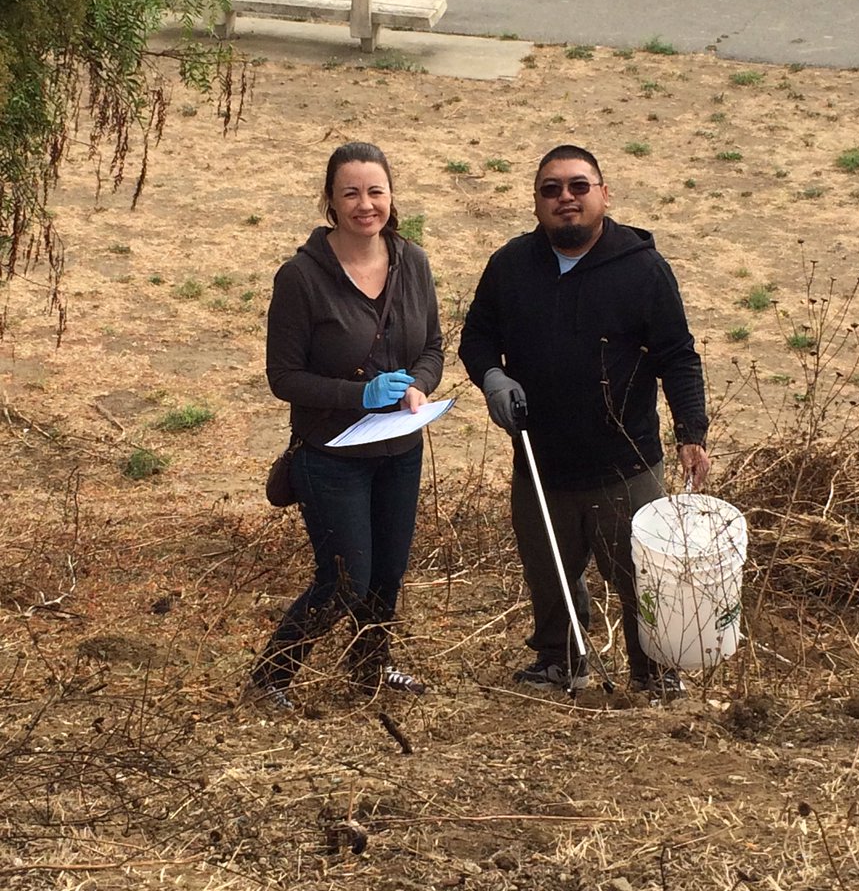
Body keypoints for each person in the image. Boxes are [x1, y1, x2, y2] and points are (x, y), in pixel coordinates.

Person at [458, 144, 709, 699]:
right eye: (551, 189)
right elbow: (476, 337)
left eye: (578, 186)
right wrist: (492, 378)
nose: (565, 198)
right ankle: (559, 661)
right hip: (539, 461)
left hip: (626, 463)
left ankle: (655, 672)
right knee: (549, 575)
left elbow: (677, 354)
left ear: (603, 193)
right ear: (536, 202)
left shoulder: (642, 268)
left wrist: (692, 432)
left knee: (641, 577)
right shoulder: (510, 266)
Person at [249, 141, 443, 709]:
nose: (366, 204)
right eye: (351, 193)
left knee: (387, 572)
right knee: (344, 579)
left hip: (399, 447)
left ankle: (369, 670)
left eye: (375, 191)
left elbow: (432, 345)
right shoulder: (301, 278)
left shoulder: (413, 262)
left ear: (391, 196)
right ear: (331, 201)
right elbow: (283, 377)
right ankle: (270, 677)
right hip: (330, 454)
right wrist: (358, 393)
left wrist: (418, 385)